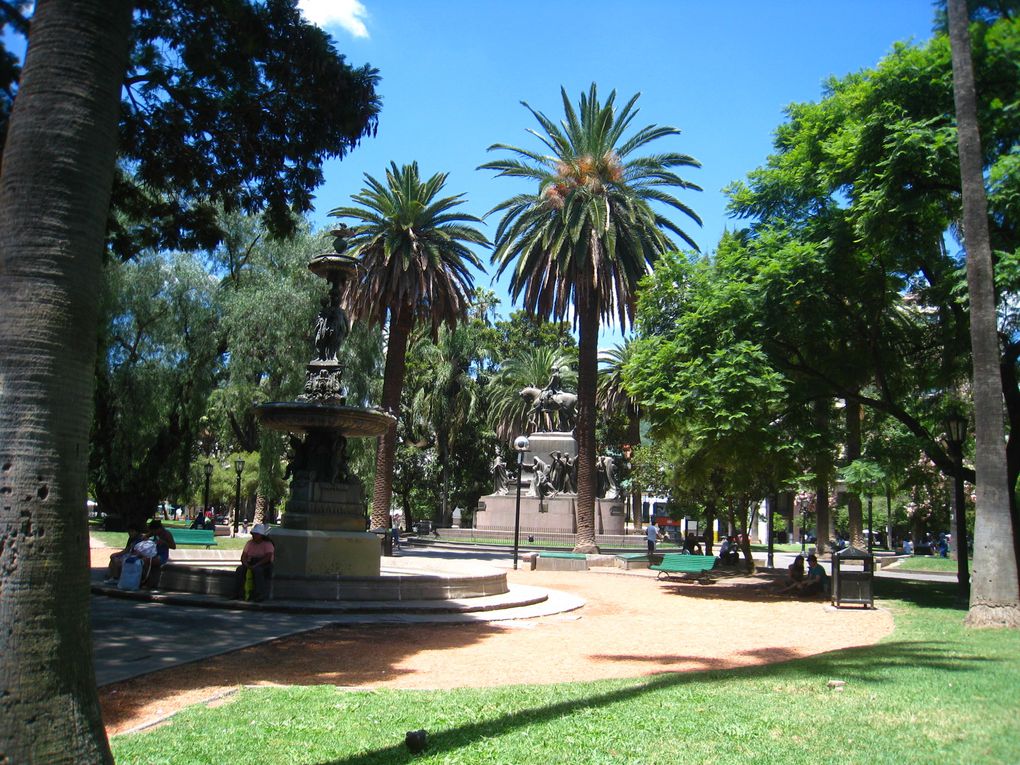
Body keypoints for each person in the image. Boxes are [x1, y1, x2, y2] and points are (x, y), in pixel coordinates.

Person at [233, 523, 274, 601]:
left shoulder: (268, 544)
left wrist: (256, 565)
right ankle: (238, 593)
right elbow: (243, 556)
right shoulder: (249, 543)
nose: (254, 536)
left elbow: (268, 557)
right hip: (250, 562)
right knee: (240, 570)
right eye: (253, 534)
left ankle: (259, 594)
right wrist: (246, 564)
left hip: (264, 564)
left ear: (261, 535)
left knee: (258, 571)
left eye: (256, 534)